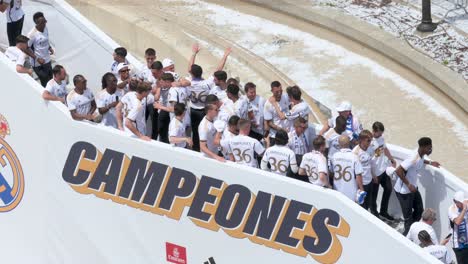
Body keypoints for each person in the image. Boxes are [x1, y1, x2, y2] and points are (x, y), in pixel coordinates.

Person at [187, 43, 231, 151]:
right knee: (208, 131)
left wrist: (193, 54)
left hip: (193, 110)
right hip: (204, 111)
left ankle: (197, 149)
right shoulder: (207, 84)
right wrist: (225, 56)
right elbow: (218, 69)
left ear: (192, 74)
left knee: (196, 132)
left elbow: (189, 69)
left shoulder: (189, 82)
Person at [394, 137, 441, 236]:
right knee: (408, 218)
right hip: (404, 192)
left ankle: (413, 231)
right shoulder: (413, 157)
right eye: (429, 148)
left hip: (413, 189)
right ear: (423, 147)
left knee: (419, 210)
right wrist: (408, 184)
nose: (431, 150)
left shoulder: (421, 153)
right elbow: (398, 171)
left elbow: (420, 161)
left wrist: (431, 163)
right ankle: (406, 237)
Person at [370, 121, 397, 220]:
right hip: (375, 173)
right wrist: (373, 175)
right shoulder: (369, 142)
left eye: (382, 133)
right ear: (374, 131)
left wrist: (392, 159)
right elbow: (368, 160)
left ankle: (383, 211)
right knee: (374, 194)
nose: (381, 135)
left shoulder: (381, 138)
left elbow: (385, 149)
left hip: (383, 170)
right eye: (379, 133)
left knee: (388, 188)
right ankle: (374, 212)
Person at [330, 135, 366, 204]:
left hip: (337, 190)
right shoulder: (354, 157)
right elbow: (358, 176)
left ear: (339, 144)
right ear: (349, 143)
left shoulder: (334, 156)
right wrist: (361, 189)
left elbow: (331, 172)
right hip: (351, 193)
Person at [28, 12, 54, 87]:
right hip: (38, 64)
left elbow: (45, 39)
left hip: (47, 60)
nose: (45, 24)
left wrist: (49, 47)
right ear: (37, 23)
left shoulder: (45, 28)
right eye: (42, 23)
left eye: (45, 21)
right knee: (45, 82)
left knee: (51, 80)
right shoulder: (31, 34)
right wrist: (37, 58)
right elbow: (26, 48)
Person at [352, 130, 376, 212]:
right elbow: (354, 172)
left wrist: (374, 175)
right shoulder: (355, 153)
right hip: (361, 184)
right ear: (361, 140)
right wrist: (360, 188)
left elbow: (371, 163)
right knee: (362, 207)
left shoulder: (370, 149)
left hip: (369, 181)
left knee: (368, 204)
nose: (370, 142)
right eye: (368, 140)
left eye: (371, 140)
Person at [264, 81, 289, 145]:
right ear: (272, 91)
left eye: (281, 91)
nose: (279, 93)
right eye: (277, 92)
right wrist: (282, 130)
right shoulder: (268, 104)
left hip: (288, 133)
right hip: (275, 136)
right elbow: (269, 123)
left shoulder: (286, 96)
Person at [287, 117, 311, 182]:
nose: (304, 129)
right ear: (296, 127)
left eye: (305, 128)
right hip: (293, 163)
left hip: (302, 163)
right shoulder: (289, 136)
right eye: (302, 128)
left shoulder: (304, 136)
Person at [448, 191, 468, 263]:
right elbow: (458, 222)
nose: (463, 204)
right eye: (460, 202)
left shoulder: (465, 204)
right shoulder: (452, 209)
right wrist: (464, 210)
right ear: (455, 201)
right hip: (458, 245)